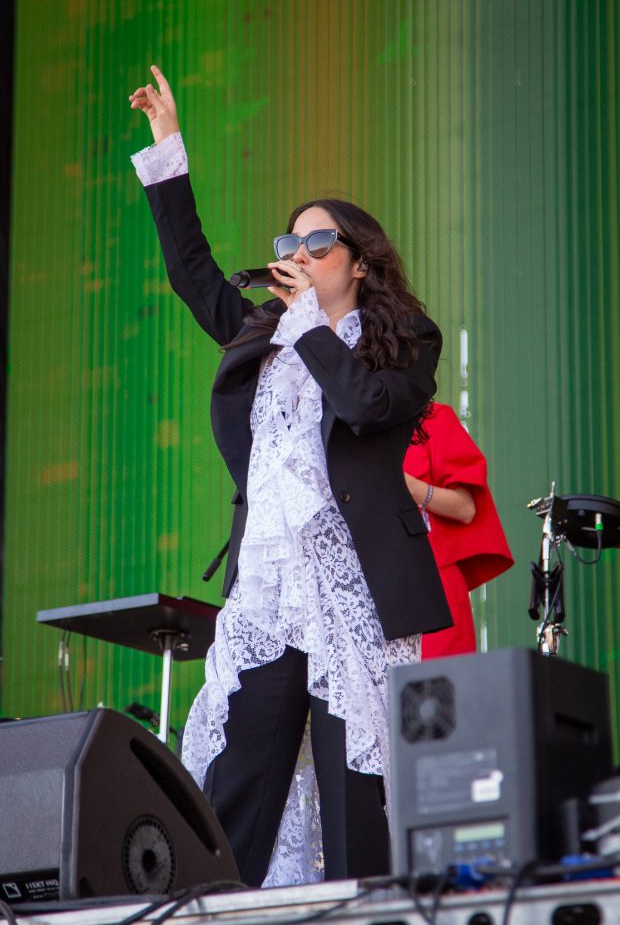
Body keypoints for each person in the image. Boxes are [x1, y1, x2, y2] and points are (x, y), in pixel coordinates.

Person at [128, 66, 452, 888]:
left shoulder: (406, 340)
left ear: (361, 263)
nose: (298, 254)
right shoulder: (263, 333)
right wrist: (169, 150)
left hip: (353, 593)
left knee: (358, 802)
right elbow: (193, 273)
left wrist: (310, 323)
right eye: (289, 243)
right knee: (239, 787)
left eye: (318, 242)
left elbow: (369, 407)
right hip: (271, 592)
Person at [403, 402, 514, 658]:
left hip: (433, 583)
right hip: (364, 585)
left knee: (440, 691)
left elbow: (465, 508)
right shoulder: (338, 425)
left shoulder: (431, 417)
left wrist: (411, 488)